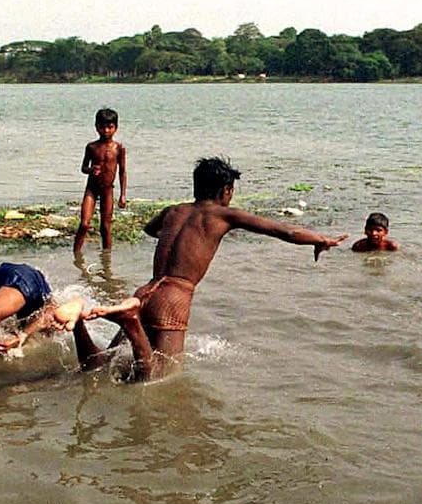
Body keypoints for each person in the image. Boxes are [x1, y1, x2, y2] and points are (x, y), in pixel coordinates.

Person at [68, 157, 346, 382]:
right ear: (226, 191)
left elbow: (150, 229)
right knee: (159, 376)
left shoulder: (173, 211)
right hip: (175, 297)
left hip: (147, 291)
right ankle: (129, 321)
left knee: (101, 365)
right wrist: (321, 239)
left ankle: (79, 322)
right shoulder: (225, 215)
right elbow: (284, 230)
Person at [73, 107, 128, 253]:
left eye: (110, 127)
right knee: (84, 224)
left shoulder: (119, 148)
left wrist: (123, 195)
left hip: (108, 189)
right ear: (96, 127)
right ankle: (76, 254)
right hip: (91, 189)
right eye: (102, 127)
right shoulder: (91, 147)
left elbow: (122, 172)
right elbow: (83, 168)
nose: (106, 131)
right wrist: (91, 170)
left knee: (105, 226)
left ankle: (106, 261)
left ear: (116, 128)